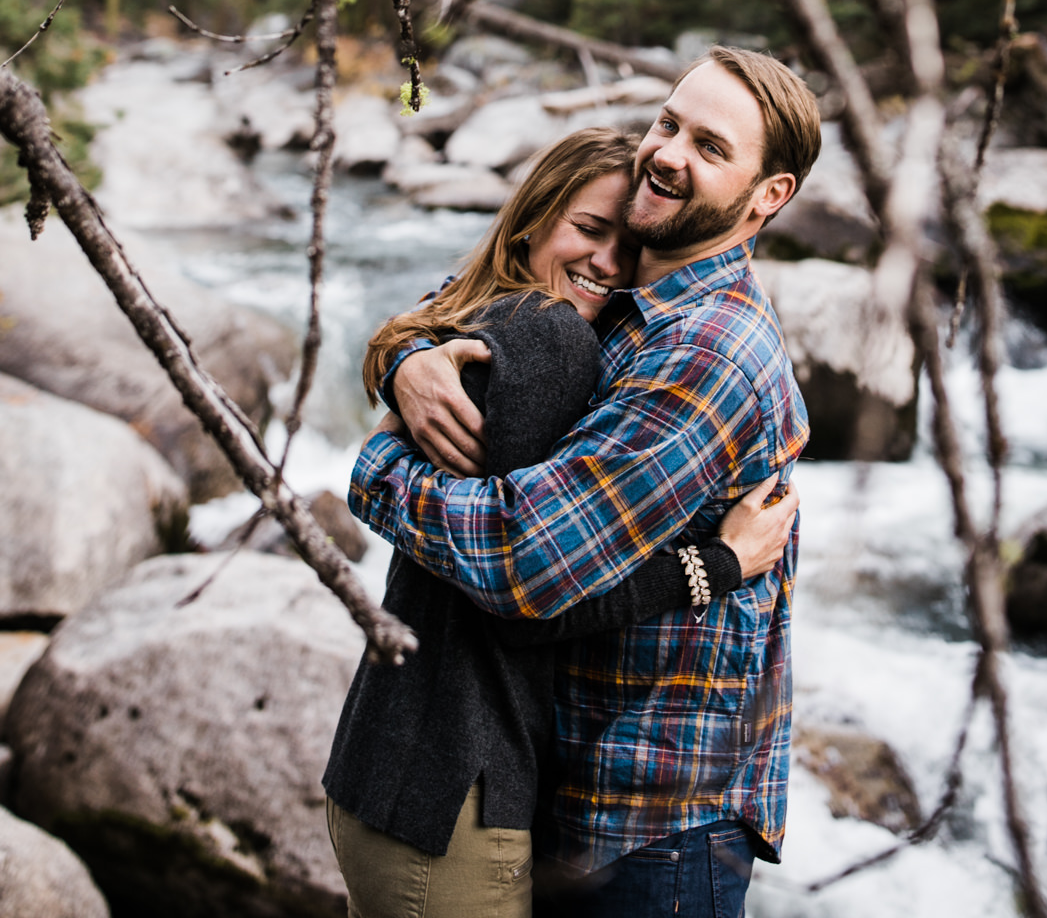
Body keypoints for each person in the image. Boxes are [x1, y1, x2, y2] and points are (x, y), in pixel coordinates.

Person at [350, 48, 819, 918]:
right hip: (566, 784)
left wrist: (376, 472)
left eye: (710, 147)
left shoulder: (703, 349)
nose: (670, 152)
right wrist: (406, 362)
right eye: (669, 124)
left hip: (656, 819)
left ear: (768, 196)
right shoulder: (627, 298)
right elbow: (480, 303)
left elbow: (525, 560)